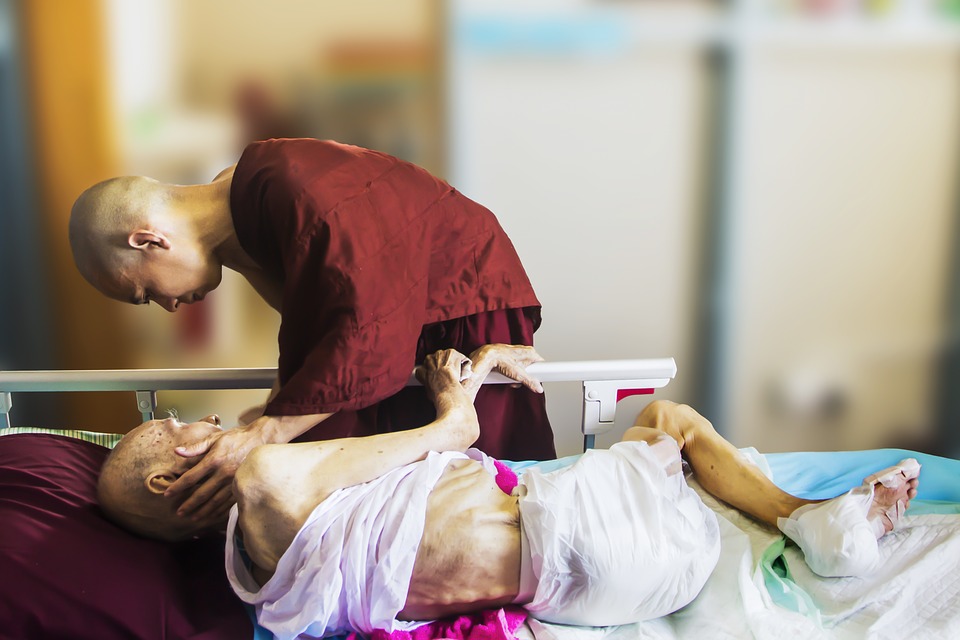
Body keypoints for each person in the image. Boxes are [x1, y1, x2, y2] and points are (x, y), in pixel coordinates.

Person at [98, 345, 920, 639]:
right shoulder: (268, 474)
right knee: (671, 422)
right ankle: (810, 526)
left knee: (650, 456)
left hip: (586, 595)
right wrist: (453, 392)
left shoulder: (260, 579)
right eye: (181, 429)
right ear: (174, 479)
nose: (207, 418)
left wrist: (482, 369)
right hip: (608, 548)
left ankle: (801, 523)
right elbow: (455, 440)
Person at [69, 137, 555, 522]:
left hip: (453, 298)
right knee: (332, 475)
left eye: (146, 292)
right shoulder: (237, 210)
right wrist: (277, 412)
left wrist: (266, 432)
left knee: (485, 492)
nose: (169, 305)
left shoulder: (299, 191)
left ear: (149, 241)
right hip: (383, 321)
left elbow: (366, 329)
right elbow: (311, 325)